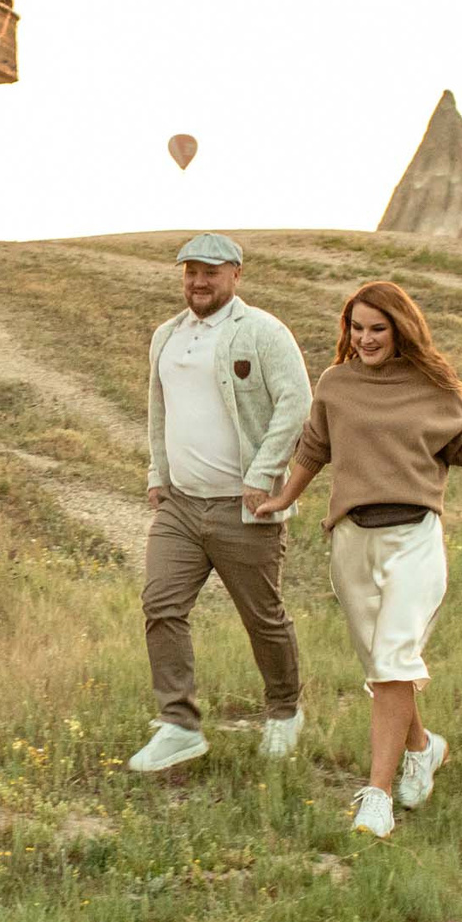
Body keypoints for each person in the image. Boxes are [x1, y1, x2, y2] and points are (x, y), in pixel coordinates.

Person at [252, 280, 462, 839]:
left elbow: (460, 447)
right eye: (357, 328)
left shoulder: (433, 384)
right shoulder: (336, 383)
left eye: (378, 328)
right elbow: (314, 448)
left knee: (394, 660)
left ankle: (376, 798)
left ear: (401, 329)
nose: (366, 338)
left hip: (414, 539)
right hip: (352, 542)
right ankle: (422, 748)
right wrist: (283, 498)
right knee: (383, 668)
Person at [128, 234, 313, 773]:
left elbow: (297, 404)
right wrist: (158, 473)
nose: (199, 281)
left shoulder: (262, 331)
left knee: (263, 618)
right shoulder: (166, 335)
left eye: (210, 271)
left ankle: (284, 712)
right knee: (161, 605)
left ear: (236, 274)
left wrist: (263, 475)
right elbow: (158, 409)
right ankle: (179, 725)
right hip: (181, 506)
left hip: (245, 507)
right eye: (191, 271)